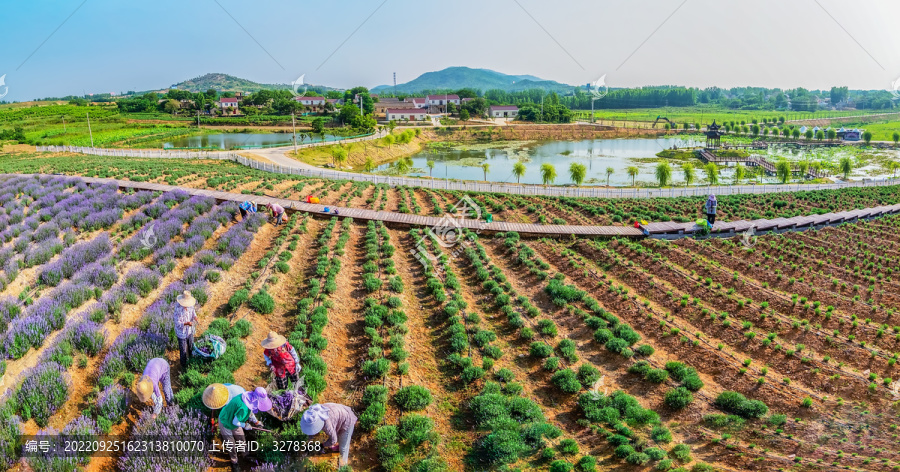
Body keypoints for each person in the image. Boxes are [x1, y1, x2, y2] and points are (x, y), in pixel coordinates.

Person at [218, 387, 272, 472]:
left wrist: (256, 421)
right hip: (226, 421)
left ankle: (246, 455)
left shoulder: (249, 397)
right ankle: (234, 462)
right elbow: (235, 421)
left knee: (241, 438)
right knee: (231, 444)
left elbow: (250, 412)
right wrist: (245, 425)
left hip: (234, 418)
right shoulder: (243, 408)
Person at [301, 403, 357, 467]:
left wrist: (322, 445)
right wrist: (309, 442)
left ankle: (343, 468)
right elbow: (311, 432)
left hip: (347, 420)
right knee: (337, 434)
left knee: (343, 449)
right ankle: (338, 446)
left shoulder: (327, 425)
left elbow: (333, 440)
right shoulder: (314, 414)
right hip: (338, 415)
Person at [173, 290, 200, 368]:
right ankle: (184, 367)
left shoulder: (190, 306)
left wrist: (196, 318)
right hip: (181, 333)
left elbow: (193, 312)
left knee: (191, 346)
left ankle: (191, 361)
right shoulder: (178, 309)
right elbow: (177, 323)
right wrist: (186, 323)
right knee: (183, 351)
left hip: (189, 331)